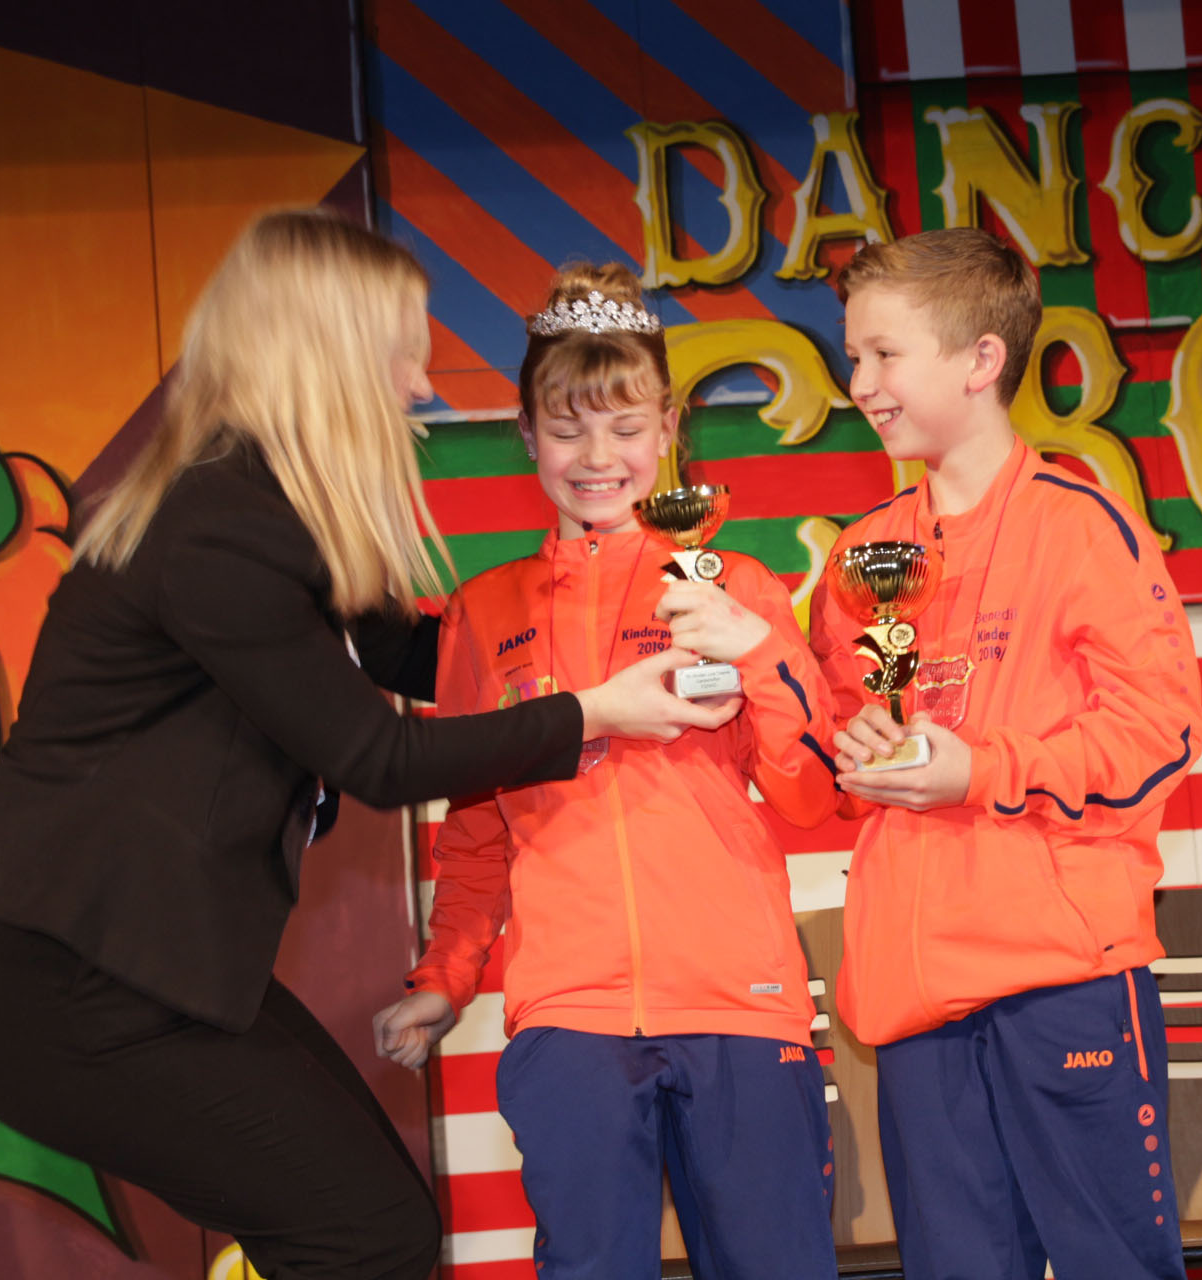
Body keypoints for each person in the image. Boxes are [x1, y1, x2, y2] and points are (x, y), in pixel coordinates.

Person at [0, 210, 729, 1280]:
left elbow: (427, 655)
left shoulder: (265, 507)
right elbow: (381, 759)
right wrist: (596, 711)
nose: (419, 383)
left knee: (374, 1223)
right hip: (69, 980)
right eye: (403, 351)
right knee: (363, 1233)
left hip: (140, 967)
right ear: (331, 356)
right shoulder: (222, 525)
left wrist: (604, 616)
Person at [370, 262, 840, 1280]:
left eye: (625, 426)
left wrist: (759, 648)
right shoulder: (484, 612)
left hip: (739, 1002)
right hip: (568, 1020)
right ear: (527, 433)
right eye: (567, 427)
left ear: (667, 427)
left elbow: (810, 795)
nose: (597, 457)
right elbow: (477, 829)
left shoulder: (736, 584)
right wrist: (445, 977)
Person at [809, 228, 1202, 1280]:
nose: (861, 384)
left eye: (884, 355)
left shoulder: (1081, 526)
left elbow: (1159, 733)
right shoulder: (860, 555)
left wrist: (979, 769)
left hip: (1060, 975)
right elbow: (837, 748)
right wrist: (852, 746)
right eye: (853, 357)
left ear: (981, 359)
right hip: (914, 989)